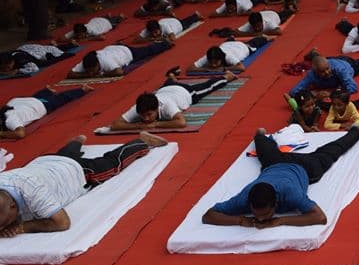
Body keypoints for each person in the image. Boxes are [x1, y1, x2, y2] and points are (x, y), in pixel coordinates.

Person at [0, 132, 169, 235]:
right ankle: (76, 142)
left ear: (14, 207)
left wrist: (22, 227)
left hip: (74, 171)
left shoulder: (32, 190)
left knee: (112, 164)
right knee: (65, 155)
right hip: (45, 162)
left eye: (4, 224)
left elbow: (62, 223)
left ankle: (142, 142)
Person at [201, 126, 359, 227]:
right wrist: (241, 221)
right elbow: (208, 215)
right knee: (262, 145)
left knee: (330, 152)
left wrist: (280, 221)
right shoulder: (244, 198)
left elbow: (320, 217)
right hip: (274, 164)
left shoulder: (290, 193)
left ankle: (356, 131)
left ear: (276, 204)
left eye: (265, 215)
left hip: (304, 167)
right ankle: (260, 134)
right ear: (249, 205)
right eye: (256, 214)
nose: (259, 219)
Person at [108, 72, 236, 131]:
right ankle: (171, 77)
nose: (146, 119)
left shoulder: (167, 106)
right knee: (168, 84)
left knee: (208, 86)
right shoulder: (139, 107)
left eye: (149, 115)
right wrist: (139, 125)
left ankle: (226, 76)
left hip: (185, 92)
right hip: (165, 89)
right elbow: (115, 125)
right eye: (143, 115)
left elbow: (181, 122)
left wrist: (156, 125)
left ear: (157, 108)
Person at [0, 85, 92, 139]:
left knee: (61, 99)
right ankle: (47, 91)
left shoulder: (10, 119)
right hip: (20, 101)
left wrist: (1, 134)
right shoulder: (5, 112)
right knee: (36, 99)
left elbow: (20, 134)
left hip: (39, 106)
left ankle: (82, 89)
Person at [289, 52, 359, 96]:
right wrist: (312, 95)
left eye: (327, 69)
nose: (326, 72)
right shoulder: (311, 74)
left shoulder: (340, 69)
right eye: (322, 72)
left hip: (347, 63)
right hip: (329, 60)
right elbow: (293, 92)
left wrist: (331, 93)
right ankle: (313, 53)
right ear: (316, 71)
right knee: (318, 61)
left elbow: (353, 87)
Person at [67, 42, 172, 79]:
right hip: (112, 49)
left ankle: (165, 44)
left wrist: (102, 75)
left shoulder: (105, 62)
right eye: (88, 70)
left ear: (98, 64)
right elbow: (70, 74)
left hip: (126, 52)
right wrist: (87, 75)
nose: (90, 72)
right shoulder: (86, 62)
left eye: (92, 70)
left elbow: (119, 72)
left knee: (148, 50)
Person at [188, 37, 271, 72]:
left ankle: (264, 37)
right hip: (227, 44)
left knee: (254, 43)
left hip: (242, 47)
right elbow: (190, 68)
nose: (213, 65)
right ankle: (231, 38)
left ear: (221, 59)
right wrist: (207, 69)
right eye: (211, 63)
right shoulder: (208, 57)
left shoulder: (228, 57)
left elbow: (241, 67)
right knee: (227, 41)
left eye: (216, 63)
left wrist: (224, 68)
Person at [0, 44, 71, 76]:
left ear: (12, 61)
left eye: (8, 67)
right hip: (27, 49)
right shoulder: (4, 59)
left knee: (58, 53)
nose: (6, 70)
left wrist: (18, 71)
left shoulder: (20, 59)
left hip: (40, 52)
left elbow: (35, 68)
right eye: (3, 68)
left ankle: (71, 44)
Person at [137, 12, 204, 42]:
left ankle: (196, 16)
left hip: (177, 24)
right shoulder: (149, 28)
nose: (154, 34)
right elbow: (137, 39)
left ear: (159, 28)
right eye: (152, 33)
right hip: (169, 21)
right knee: (185, 20)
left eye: (156, 32)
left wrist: (162, 38)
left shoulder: (164, 26)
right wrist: (151, 39)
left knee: (187, 23)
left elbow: (173, 38)